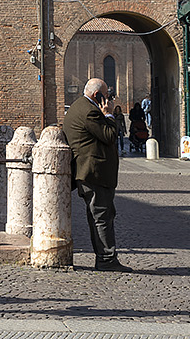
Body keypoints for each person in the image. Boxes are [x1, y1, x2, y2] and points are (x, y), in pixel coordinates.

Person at [64, 78, 129, 272]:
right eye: (106, 96)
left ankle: (105, 258)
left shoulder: (80, 106)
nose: (108, 99)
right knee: (101, 216)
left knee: (101, 215)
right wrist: (108, 115)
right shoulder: (90, 111)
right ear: (97, 95)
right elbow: (109, 135)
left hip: (91, 173)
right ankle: (106, 260)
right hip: (93, 173)